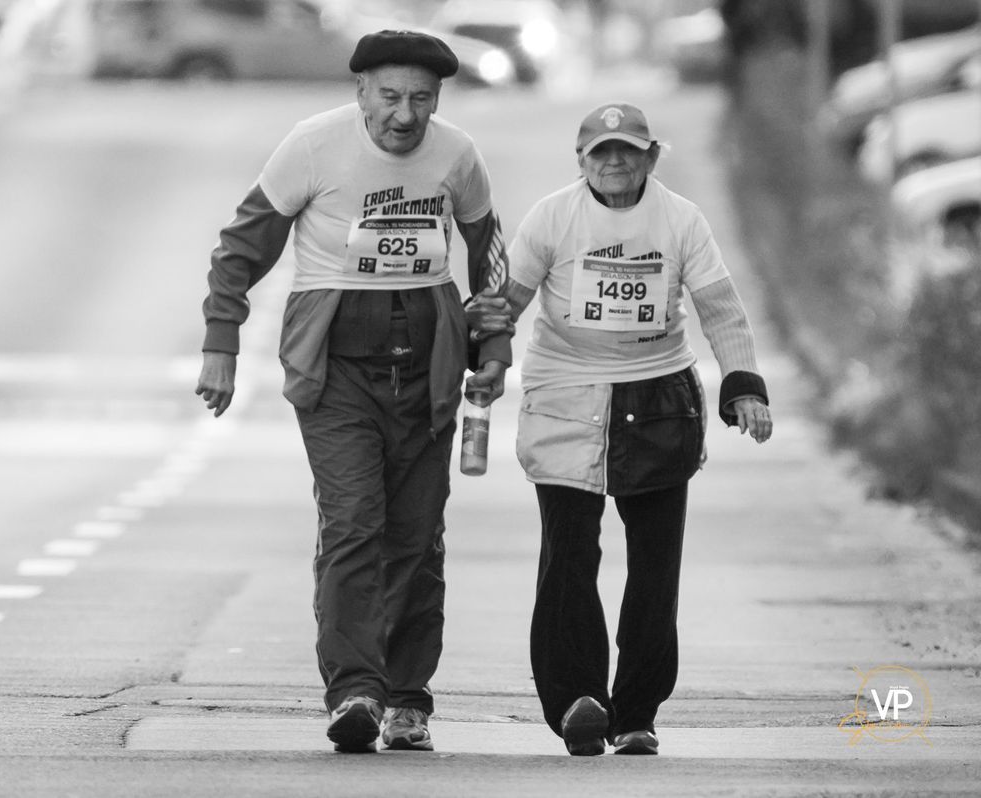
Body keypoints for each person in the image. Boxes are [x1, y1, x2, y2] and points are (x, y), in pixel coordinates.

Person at [194, 30, 512, 754]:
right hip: (335, 371)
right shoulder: (312, 145)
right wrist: (221, 344)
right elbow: (241, 248)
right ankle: (354, 692)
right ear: (361, 91)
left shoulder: (457, 155)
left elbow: (489, 254)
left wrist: (494, 348)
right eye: (391, 97)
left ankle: (407, 700)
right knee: (354, 524)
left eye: (422, 100)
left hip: (428, 370)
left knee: (416, 539)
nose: (405, 116)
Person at [495, 102, 772, 756]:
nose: (615, 162)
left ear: (651, 156)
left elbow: (719, 307)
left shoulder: (680, 220)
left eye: (629, 151)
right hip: (566, 392)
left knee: (654, 568)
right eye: (601, 152)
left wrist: (742, 383)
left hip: (657, 401)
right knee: (568, 556)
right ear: (582, 160)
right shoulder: (552, 217)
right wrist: (483, 357)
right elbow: (505, 298)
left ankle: (638, 711)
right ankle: (577, 702)